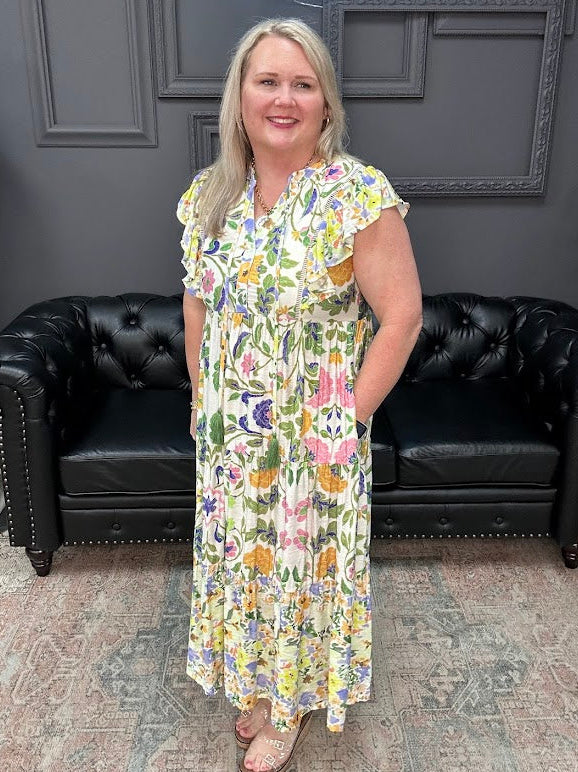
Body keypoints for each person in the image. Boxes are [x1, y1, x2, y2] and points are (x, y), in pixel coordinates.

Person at [177, 17, 422, 772]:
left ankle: (289, 712)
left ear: (325, 102)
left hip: (312, 438)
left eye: (302, 83)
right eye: (268, 81)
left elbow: (403, 315)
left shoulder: (355, 194)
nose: (284, 99)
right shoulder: (210, 194)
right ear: (240, 97)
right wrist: (201, 403)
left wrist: (347, 421)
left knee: (302, 572)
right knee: (246, 570)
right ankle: (258, 682)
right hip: (231, 436)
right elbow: (197, 306)